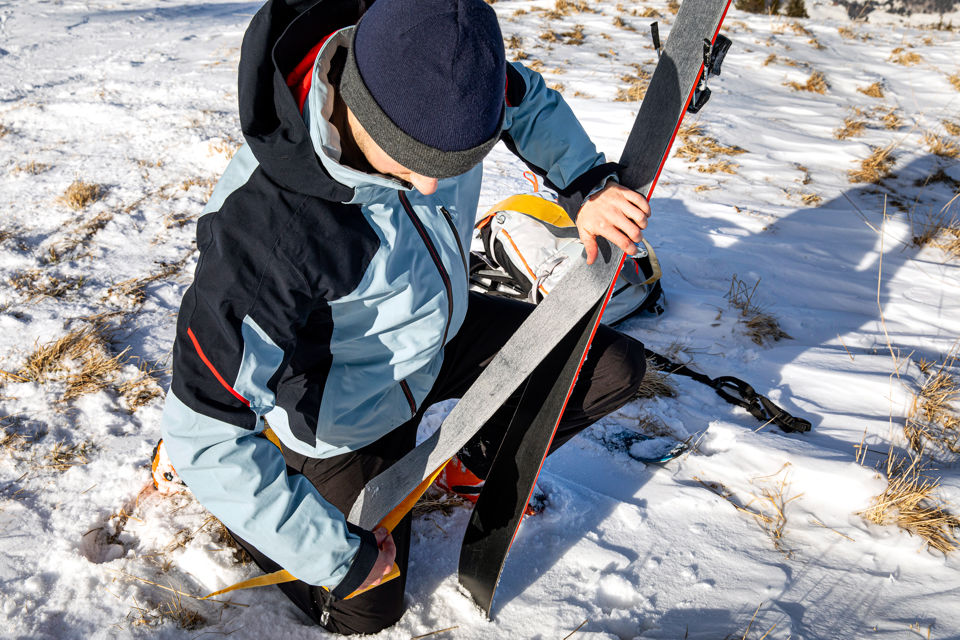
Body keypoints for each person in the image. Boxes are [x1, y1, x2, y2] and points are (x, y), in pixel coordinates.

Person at [160, 0, 652, 634]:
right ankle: (248, 499)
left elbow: (520, 97)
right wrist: (335, 556)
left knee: (610, 368)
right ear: (364, 107)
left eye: (450, 165)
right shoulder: (272, 232)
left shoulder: (439, 69)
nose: (429, 186)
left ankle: (466, 464)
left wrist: (586, 183)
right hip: (339, 416)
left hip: (437, 334)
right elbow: (203, 429)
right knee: (367, 605)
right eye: (412, 162)